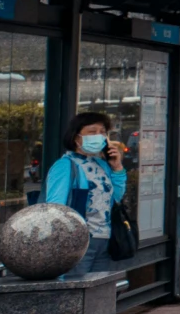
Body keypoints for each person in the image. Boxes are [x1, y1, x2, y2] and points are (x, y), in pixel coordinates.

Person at [43, 112, 125, 279]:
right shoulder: (65, 166)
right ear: (76, 137)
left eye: (102, 132)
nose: (99, 136)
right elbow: (55, 207)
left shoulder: (102, 164)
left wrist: (117, 168)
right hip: (78, 242)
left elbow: (115, 198)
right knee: (75, 290)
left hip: (104, 239)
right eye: (92, 132)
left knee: (100, 293)